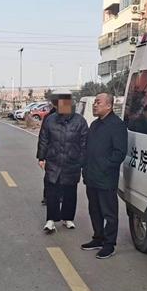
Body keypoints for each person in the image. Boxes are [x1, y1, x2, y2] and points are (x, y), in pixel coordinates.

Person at [80, 93, 128, 259]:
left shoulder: (117, 125)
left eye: (98, 102)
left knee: (109, 212)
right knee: (94, 209)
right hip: (91, 176)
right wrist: (85, 168)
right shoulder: (94, 125)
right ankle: (98, 238)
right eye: (94, 102)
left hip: (106, 177)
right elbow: (87, 149)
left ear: (109, 105)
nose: (94, 105)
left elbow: (119, 152)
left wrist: (104, 166)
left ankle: (109, 244)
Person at [36, 90, 88, 234]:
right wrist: (41, 157)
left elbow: (84, 143)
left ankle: (67, 218)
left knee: (70, 192)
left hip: (72, 161)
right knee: (52, 191)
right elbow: (43, 139)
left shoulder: (80, 121)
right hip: (54, 160)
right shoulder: (50, 119)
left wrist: (81, 161)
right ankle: (51, 220)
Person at [39, 101, 57, 206]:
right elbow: (43, 137)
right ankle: (47, 196)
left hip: (67, 154)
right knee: (49, 177)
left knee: (65, 177)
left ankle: (60, 196)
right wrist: (41, 157)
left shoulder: (73, 118)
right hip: (51, 153)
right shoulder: (49, 117)